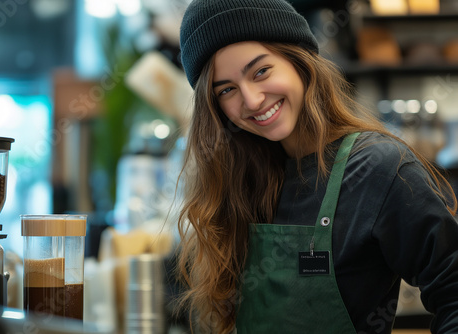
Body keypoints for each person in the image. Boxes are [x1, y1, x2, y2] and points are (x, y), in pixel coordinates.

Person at [175, 0, 458, 333]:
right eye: (227, 90)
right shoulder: (241, 182)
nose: (251, 100)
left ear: (299, 61)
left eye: (261, 71)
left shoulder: (377, 167)